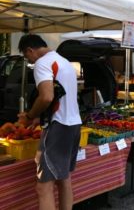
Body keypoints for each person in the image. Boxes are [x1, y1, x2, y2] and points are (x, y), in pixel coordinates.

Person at [17, 35, 81, 210]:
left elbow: (46, 97)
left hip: (58, 128)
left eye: (26, 56)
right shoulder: (64, 62)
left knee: (43, 186)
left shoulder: (42, 63)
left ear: (30, 50)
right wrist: (41, 117)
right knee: (63, 179)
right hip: (73, 124)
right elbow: (61, 97)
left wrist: (30, 116)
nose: (29, 61)